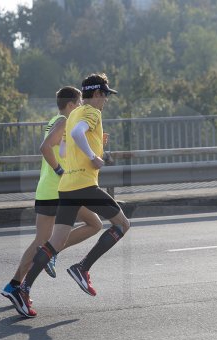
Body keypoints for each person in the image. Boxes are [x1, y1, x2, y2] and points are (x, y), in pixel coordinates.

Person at [19, 73, 130, 315]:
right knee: (122, 224)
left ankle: (24, 288)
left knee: (54, 243)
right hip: (84, 184)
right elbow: (79, 135)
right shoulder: (91, 112)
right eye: (105, 96)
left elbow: (63, 147)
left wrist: (95, 143)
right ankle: (82, 267)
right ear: (97, 94)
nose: (106, 101)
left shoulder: (72, 116)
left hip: (67, 186)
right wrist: (93, 157)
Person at [1, 86, 102, 318]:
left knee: (41, 240)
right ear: (70, 105)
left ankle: (15, 285)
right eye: (78, 103)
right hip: (58, 190)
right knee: (95, 224)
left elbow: (61, 149)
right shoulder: (65, 121)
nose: (80, 108)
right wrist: (60, 171)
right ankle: (52, 254)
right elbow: (45, 148)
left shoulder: (56, 119)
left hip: (46, 189)